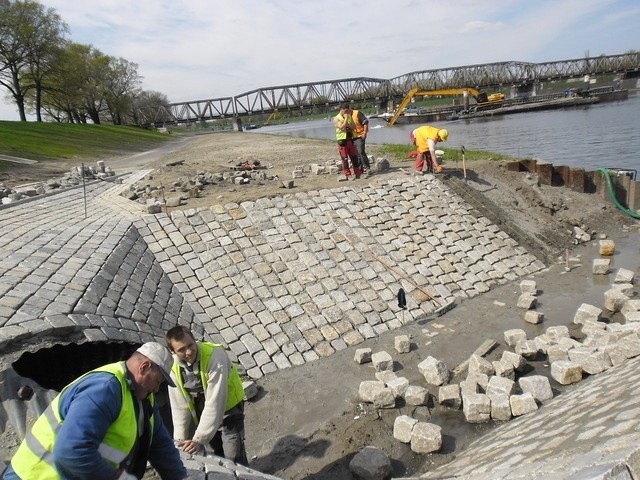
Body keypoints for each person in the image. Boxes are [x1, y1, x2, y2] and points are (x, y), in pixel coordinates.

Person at [4, 342, 189, 480]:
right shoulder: (104, 389)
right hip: (35, 476)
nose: (157, 389)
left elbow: (159, 443)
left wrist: (180, 478)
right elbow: (72, 452)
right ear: (144, 367)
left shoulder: (143, 398)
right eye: (158, 381)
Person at [165, 326, 248, 465]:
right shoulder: (173, 367)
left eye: (190, 345)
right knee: (213, 455)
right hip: (202, 411)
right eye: (181, 350)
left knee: (234, 456)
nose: (189, 352)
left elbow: (216, 401)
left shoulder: (215, 356)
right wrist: (180, 442)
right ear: (172, 351)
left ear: (194, 339)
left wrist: (199, 439)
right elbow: (179, 407)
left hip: (229, 409)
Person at [332, 103, 362, 179]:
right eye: (346, 111)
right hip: (342, 141)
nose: (347, 112)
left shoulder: (349, 117)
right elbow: (341, 127)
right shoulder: (336, 118)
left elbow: (354, 127)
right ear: (342, 110)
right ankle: (347, 173)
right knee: (344, 158)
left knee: (354, 157)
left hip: (350, 139)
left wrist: (347, 124)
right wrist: (345, 119)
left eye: (348, 111)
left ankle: (357, 172)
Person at [351, 107, 371, 173]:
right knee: (356, 153)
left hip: (360, 135)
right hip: (352, 137)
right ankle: (359, 169)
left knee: (361, 151)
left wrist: (365, 132)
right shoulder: (346, 116)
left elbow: (365, 122)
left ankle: (367, 167)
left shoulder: (357, 113)